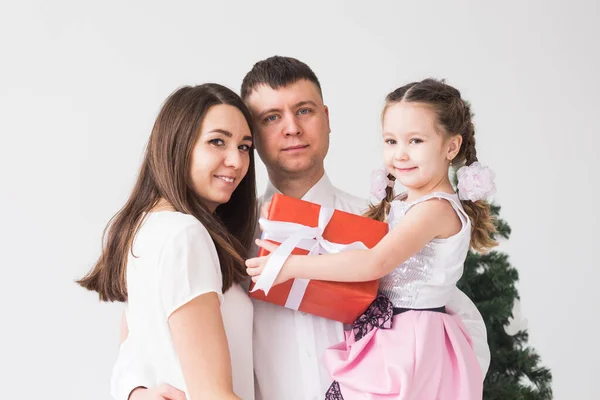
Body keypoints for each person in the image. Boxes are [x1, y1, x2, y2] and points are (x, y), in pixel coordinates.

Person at [112, 57, 490, 400]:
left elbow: (445, 312)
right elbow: (144, 323)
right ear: (253, 136)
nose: (291, 128)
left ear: (326, 117)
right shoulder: (225, 235)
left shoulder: (382, 222)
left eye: (304, 111)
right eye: (271, 118)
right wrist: (134, 391)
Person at [247, 78, 496, 399]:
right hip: (392, 332)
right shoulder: (409, 204)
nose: (401, 154)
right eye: (391, 141)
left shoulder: (434, 209)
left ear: (451, 146)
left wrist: (290, 265)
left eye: (416, 141)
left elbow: (373, 263)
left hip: (412, 342)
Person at [78, 83, 258, 400]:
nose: (236, 161)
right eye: (218, 142)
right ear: (178, 145)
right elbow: (211, 394)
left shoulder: (145, 228)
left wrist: (133, 392)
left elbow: (134, 353)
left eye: (244, 147)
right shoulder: (184, 235)